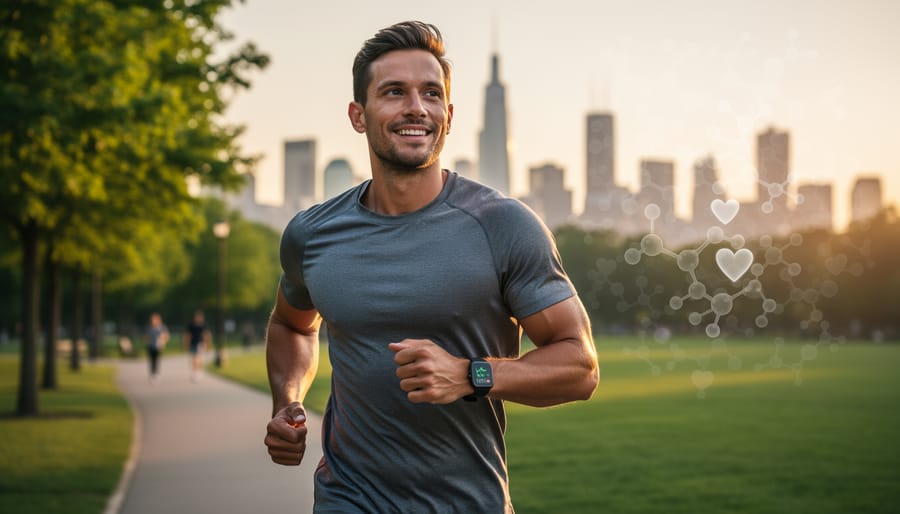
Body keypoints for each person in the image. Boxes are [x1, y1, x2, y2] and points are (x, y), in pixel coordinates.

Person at [264, 21, 598, 513]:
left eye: (431, 93)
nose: (416, 107)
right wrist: (287, 402)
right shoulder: (312, 234)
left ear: (449, 115)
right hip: (345, 499)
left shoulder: (503, 225)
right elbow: (292, 325)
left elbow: (580, 366)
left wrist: (470, 374)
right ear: (358, 115)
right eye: (394, 92)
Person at [183, 310, 210, 382]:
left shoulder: (203, 325)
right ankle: (195, 372)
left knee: (198, 358)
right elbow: (187, 335)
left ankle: (198, 371)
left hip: (201, 343)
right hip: (193, 343)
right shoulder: (191, 325)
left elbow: (206, 334)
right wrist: (186, 344)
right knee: (194, 358)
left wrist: (207, 343)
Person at [145, 312, 169, 384]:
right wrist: (147, 341)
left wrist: (163, 342)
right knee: (151, 360)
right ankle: (152, 374)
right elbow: (146, 337)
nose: (154, 321)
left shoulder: (162, 327)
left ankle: (156, 374)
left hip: (158, 346)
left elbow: (166, 336)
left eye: (155, 319)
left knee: (156, 360)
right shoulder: (149, 328)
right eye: (152, 320)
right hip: (151, 346)